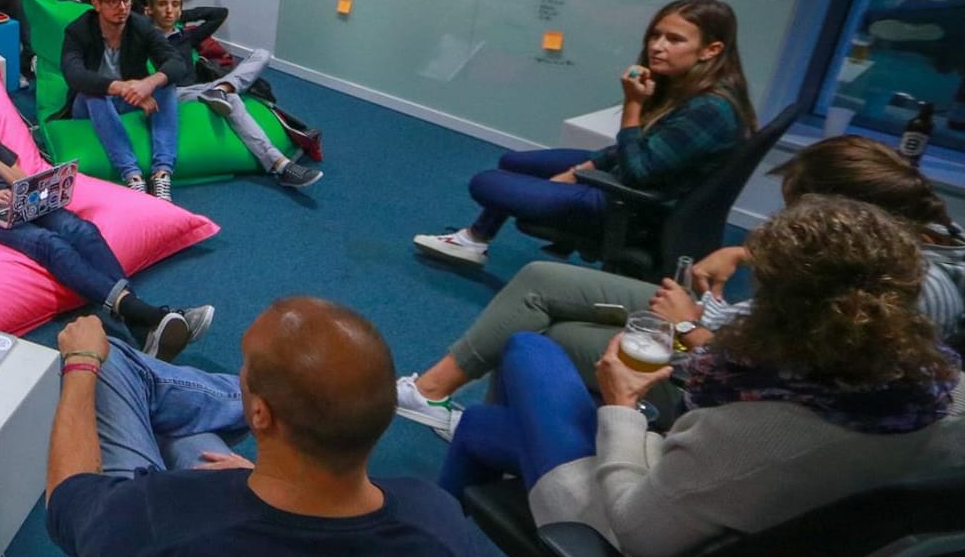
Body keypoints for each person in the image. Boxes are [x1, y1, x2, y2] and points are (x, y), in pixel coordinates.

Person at [439, 197, 965, 557]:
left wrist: (621, 408)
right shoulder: (945, 390)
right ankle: (434, 552)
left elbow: (640, 530)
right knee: (481, 428)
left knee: (528, 349)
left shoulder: (763, 428)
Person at [396, 135, 965, 436]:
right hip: (734, 331)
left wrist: (691, 326)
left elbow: (783, 382)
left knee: (550, 338)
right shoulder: (923, 247)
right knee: (541, 279)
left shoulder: (899, 300)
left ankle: (501, 437)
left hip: (721, 373)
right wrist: (745, 250)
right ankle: (432, 393)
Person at [44, 299, 478, 557]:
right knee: (185, 436)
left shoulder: (155, 516)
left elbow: (66, 498)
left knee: (111, 364)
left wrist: (80, 364)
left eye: (246, 370)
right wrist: (268, 477)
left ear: (259, 414)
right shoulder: (441, 524)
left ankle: (145, 388)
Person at [0, 71, 212, 360]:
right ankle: (148, 315)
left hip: (20, 198)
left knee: (83, 230)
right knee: (50, 244)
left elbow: (20, 178)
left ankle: (144, 324)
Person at [413, 0, 755, 268]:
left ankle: (477, 238)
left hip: (633, 206)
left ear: (711, 50)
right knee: (513, 161)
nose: (657, 46)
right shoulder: (686, 87)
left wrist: (633, 106)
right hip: (632, 181)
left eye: (674, 39)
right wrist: (582, 170)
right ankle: (474, 240)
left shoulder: (710, 109)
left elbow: (638, 171)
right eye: (656, 35)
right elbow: (646, 146)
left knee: (486, 182)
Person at [146, 0, 322, 190]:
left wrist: (181, 15)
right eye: (163, 4)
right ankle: (280, 165)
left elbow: (219, 13)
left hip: (201, 88)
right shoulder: (145, 37)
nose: (169, 10)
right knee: (233, 99)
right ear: (150, 9)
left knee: (262, 54)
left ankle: (222, 88)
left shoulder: (186, 36)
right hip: (172, 93)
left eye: (174, 4)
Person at [59, 0, 188, 200]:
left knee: (167, 86)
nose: (122, 7)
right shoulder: (79, 30)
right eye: (113, 1)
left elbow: (176, 63)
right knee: (93, 94)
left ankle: (162, 173)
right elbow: (74, 74)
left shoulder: (140, 26)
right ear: (96, 4)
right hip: (91, 103)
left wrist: (148, 84)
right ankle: (132, 175)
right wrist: (121, 87)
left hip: (131, 97)